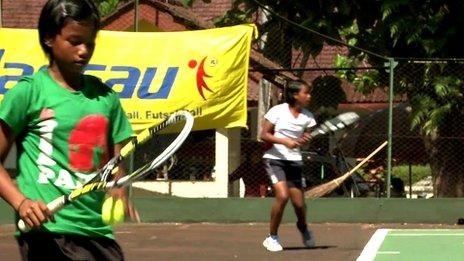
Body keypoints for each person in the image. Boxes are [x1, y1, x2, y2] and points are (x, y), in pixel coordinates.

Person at [0, 0, 137, 259]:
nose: (84, 51)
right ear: (50, 39)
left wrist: (117, 185)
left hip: (97, 232)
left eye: (90, 43)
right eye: (75, 41)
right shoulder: (29, 92)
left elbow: (114, 158)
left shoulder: (105, 97)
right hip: (48, 232)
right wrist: (22, 202)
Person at [260, 80, 317, 252]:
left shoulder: (308, 117)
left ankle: (303, 226)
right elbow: (264, 134)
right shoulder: (278, 111)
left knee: (299, 205)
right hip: (274, 159)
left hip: (294, 162)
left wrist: (305, 141)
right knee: (283, 196)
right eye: (305, 93)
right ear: (295, 95)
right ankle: (272, 237)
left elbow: (305, 143)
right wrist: (284, 141)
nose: (309, 96)